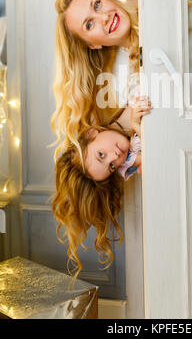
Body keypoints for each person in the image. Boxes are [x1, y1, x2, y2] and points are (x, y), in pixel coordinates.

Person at [52, 95, 152, 280]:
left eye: (101, 155)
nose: (114, 157)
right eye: (111, 167)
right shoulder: (129, 159)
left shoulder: (115, 99)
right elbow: (160, 153)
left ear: (90, 134)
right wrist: (139, 128)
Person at [51, 0, 140, 161]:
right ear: (92, 45)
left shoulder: (147, 0)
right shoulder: (118, 88)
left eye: (97, 4)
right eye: (89, 25)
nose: (104, 17)